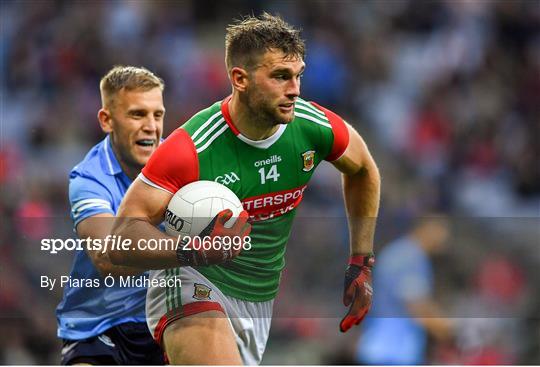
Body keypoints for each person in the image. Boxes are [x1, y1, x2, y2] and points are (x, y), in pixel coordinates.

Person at [109, 13, 381, 365]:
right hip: (192, 284)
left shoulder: (315, 128)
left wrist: (361, 260)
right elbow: (121, 237)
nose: (295, 89)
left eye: (298, 76)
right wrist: (194, 251)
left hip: (259, 300)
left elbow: (363, 170)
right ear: (240, 78)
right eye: (280, 77)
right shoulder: (191, 149)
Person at [56, 65, 166, 365]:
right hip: (98, 326)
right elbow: (108, 258)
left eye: (157, 115)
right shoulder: (88, 178)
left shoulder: (183, 164)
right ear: (107, 120)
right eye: (137, 114)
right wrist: (191, 252)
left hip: (165, 320)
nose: (151, 126)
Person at [355, 216, 454, 365]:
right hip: (391, 346)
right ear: (426, 228)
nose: (444, 238)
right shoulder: (407, 256)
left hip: (385, 342)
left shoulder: (405, 253)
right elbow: (416, 306)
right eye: (441, 231)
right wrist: (448, 331)